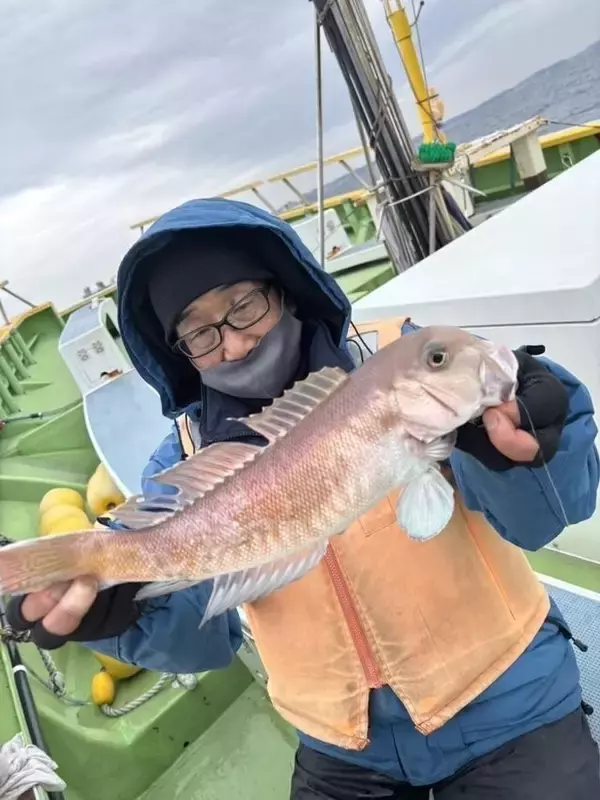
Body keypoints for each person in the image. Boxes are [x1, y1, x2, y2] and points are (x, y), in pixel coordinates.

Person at [7, 198, 600, 798]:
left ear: (284, 289)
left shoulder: (402, 355)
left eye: (244, 305)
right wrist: (121, 614)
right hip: (339, 749)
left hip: (511, 702)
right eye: (199, 333)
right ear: (175, 351)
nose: (233, 344)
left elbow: (548, 517)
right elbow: (203, 641)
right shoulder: (181, 464)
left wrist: (537, 437)